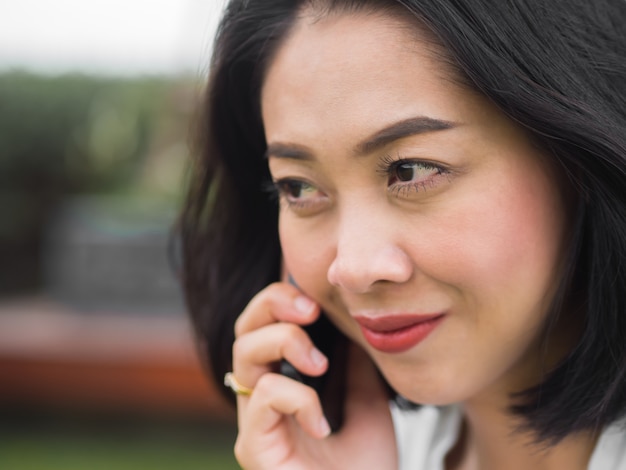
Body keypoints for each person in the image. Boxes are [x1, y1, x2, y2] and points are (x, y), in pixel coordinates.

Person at [179, 0, 626, 468]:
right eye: (299, 187)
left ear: (579, 160)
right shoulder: (373, 451)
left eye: (410, 171)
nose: (351, 269)